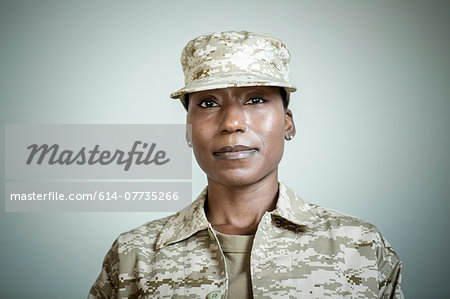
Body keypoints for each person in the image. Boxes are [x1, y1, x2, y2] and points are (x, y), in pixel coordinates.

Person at [88, 31, 403, 299]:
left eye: (256, 99)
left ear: (288, 123)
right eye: (208, 103)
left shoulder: (359, 247)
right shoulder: (135, 255)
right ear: (187, 129)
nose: (232, 122)